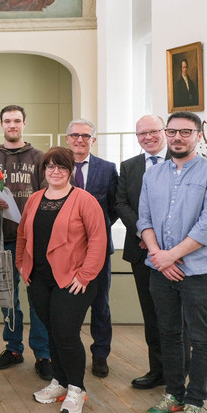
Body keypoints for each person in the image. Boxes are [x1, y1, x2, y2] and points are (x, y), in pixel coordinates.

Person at [17, 147, 107, 413]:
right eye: (50, 167)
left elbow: (98, 240)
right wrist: (22, 264)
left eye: (62, 167)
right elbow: (22, 234)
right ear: (43, 170)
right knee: (53, 331)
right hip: (40, 279)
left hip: (74, 279)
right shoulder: (34, 199)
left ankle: (76, 388)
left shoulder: (84, 199)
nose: (55, 172)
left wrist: (85, 275)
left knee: (66, 333)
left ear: (70, 171)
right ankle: (59, 381)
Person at [138, 111, 207, 413]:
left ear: (198, 134)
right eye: (172, 131)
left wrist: (172, 256)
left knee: (201, 337)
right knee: (168, 333)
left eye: (185, 132)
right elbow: (144, 220)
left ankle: (195, 401)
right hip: (160, 270)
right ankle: (174, 395)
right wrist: (158, 255)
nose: (177, 137)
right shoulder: (151, 174)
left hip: (198, 272)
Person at [0, 105, 51, 379]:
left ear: (24, 124)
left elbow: (51, 194)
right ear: (1, 124)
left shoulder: (40, 158)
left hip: (34, 241)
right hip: (3, 239)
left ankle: (43, 353)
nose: (12, 125)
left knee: (38, 299)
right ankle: (14, 348)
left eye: (17, 120)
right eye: (7, 121)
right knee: (9, 299)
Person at [115, 114, 169, 390]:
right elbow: (121, 203)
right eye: (141, 134)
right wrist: (144, 234)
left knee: (175, 316)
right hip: (140, 251)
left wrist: (160, 240)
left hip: (175, 253)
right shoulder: (129, 166)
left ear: (164, 131)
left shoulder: (182, 160)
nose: (147, 137)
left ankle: (178, 373)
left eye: (153, 131)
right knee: (151, 315)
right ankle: (156, 370)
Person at [65, 118, 118, 377]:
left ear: (93, 140)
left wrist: (97, 230)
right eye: (75, 135)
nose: (80, 139)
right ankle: (67, 352)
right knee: (67, 304)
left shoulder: (107, 169)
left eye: (86, 136)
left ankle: (100, 354)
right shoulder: (57, 168)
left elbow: (114, 207)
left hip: (99, 250)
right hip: (66, 250)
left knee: (100, 303)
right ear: (67, 139)